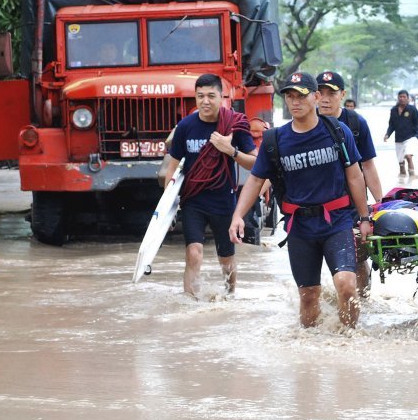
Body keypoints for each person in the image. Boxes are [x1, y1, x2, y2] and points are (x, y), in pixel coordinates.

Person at [229, 72, 373, 328]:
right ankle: (310, 350)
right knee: (308, 297)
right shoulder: (275, 140)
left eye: (301, 96)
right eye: (290, 97)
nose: (295, 102)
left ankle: (349, 343)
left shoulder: (339, 133)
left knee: (347, 286)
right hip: (300, 228)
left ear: (315, 97)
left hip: (337, 223)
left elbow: (355, 176)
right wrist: (238, 216)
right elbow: (255, 180)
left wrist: (364, 218)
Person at [161, 73, 257, 299]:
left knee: (226, 259)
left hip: (223, 200)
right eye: (200, 96)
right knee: (194, 253)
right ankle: (189, 302)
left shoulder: (234, 125)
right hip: (193, 200)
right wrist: (167, 205)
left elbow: (256, 163)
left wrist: (230, 150)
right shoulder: (185, 126)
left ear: (221, 97)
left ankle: (231, 295)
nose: (205, 101)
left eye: (211, 96)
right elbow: (172, 167)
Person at [316, 70, 383, 297]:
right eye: (320, 93)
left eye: (331, 93)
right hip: (318, 203)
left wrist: (379, 204)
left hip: (352, 203)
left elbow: (368, 166)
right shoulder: (306, 121)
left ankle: (362, 300)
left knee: (356, 258)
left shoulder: (355, 123)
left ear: (342, 94)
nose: (325, 98)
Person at [384, 89, 418, 177]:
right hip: (398, 138)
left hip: (411, 137)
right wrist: (387, 134)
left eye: (404, 97)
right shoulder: (393, 110)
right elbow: (391, 125)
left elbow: (417, 124)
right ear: (398, 98)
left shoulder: (412, 109)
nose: (402, 98)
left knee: (408, 156)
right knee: (401, 162)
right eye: (400, 96)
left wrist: (417, 135)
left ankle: (412, 176)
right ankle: (402, 177)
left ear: (408, 98)